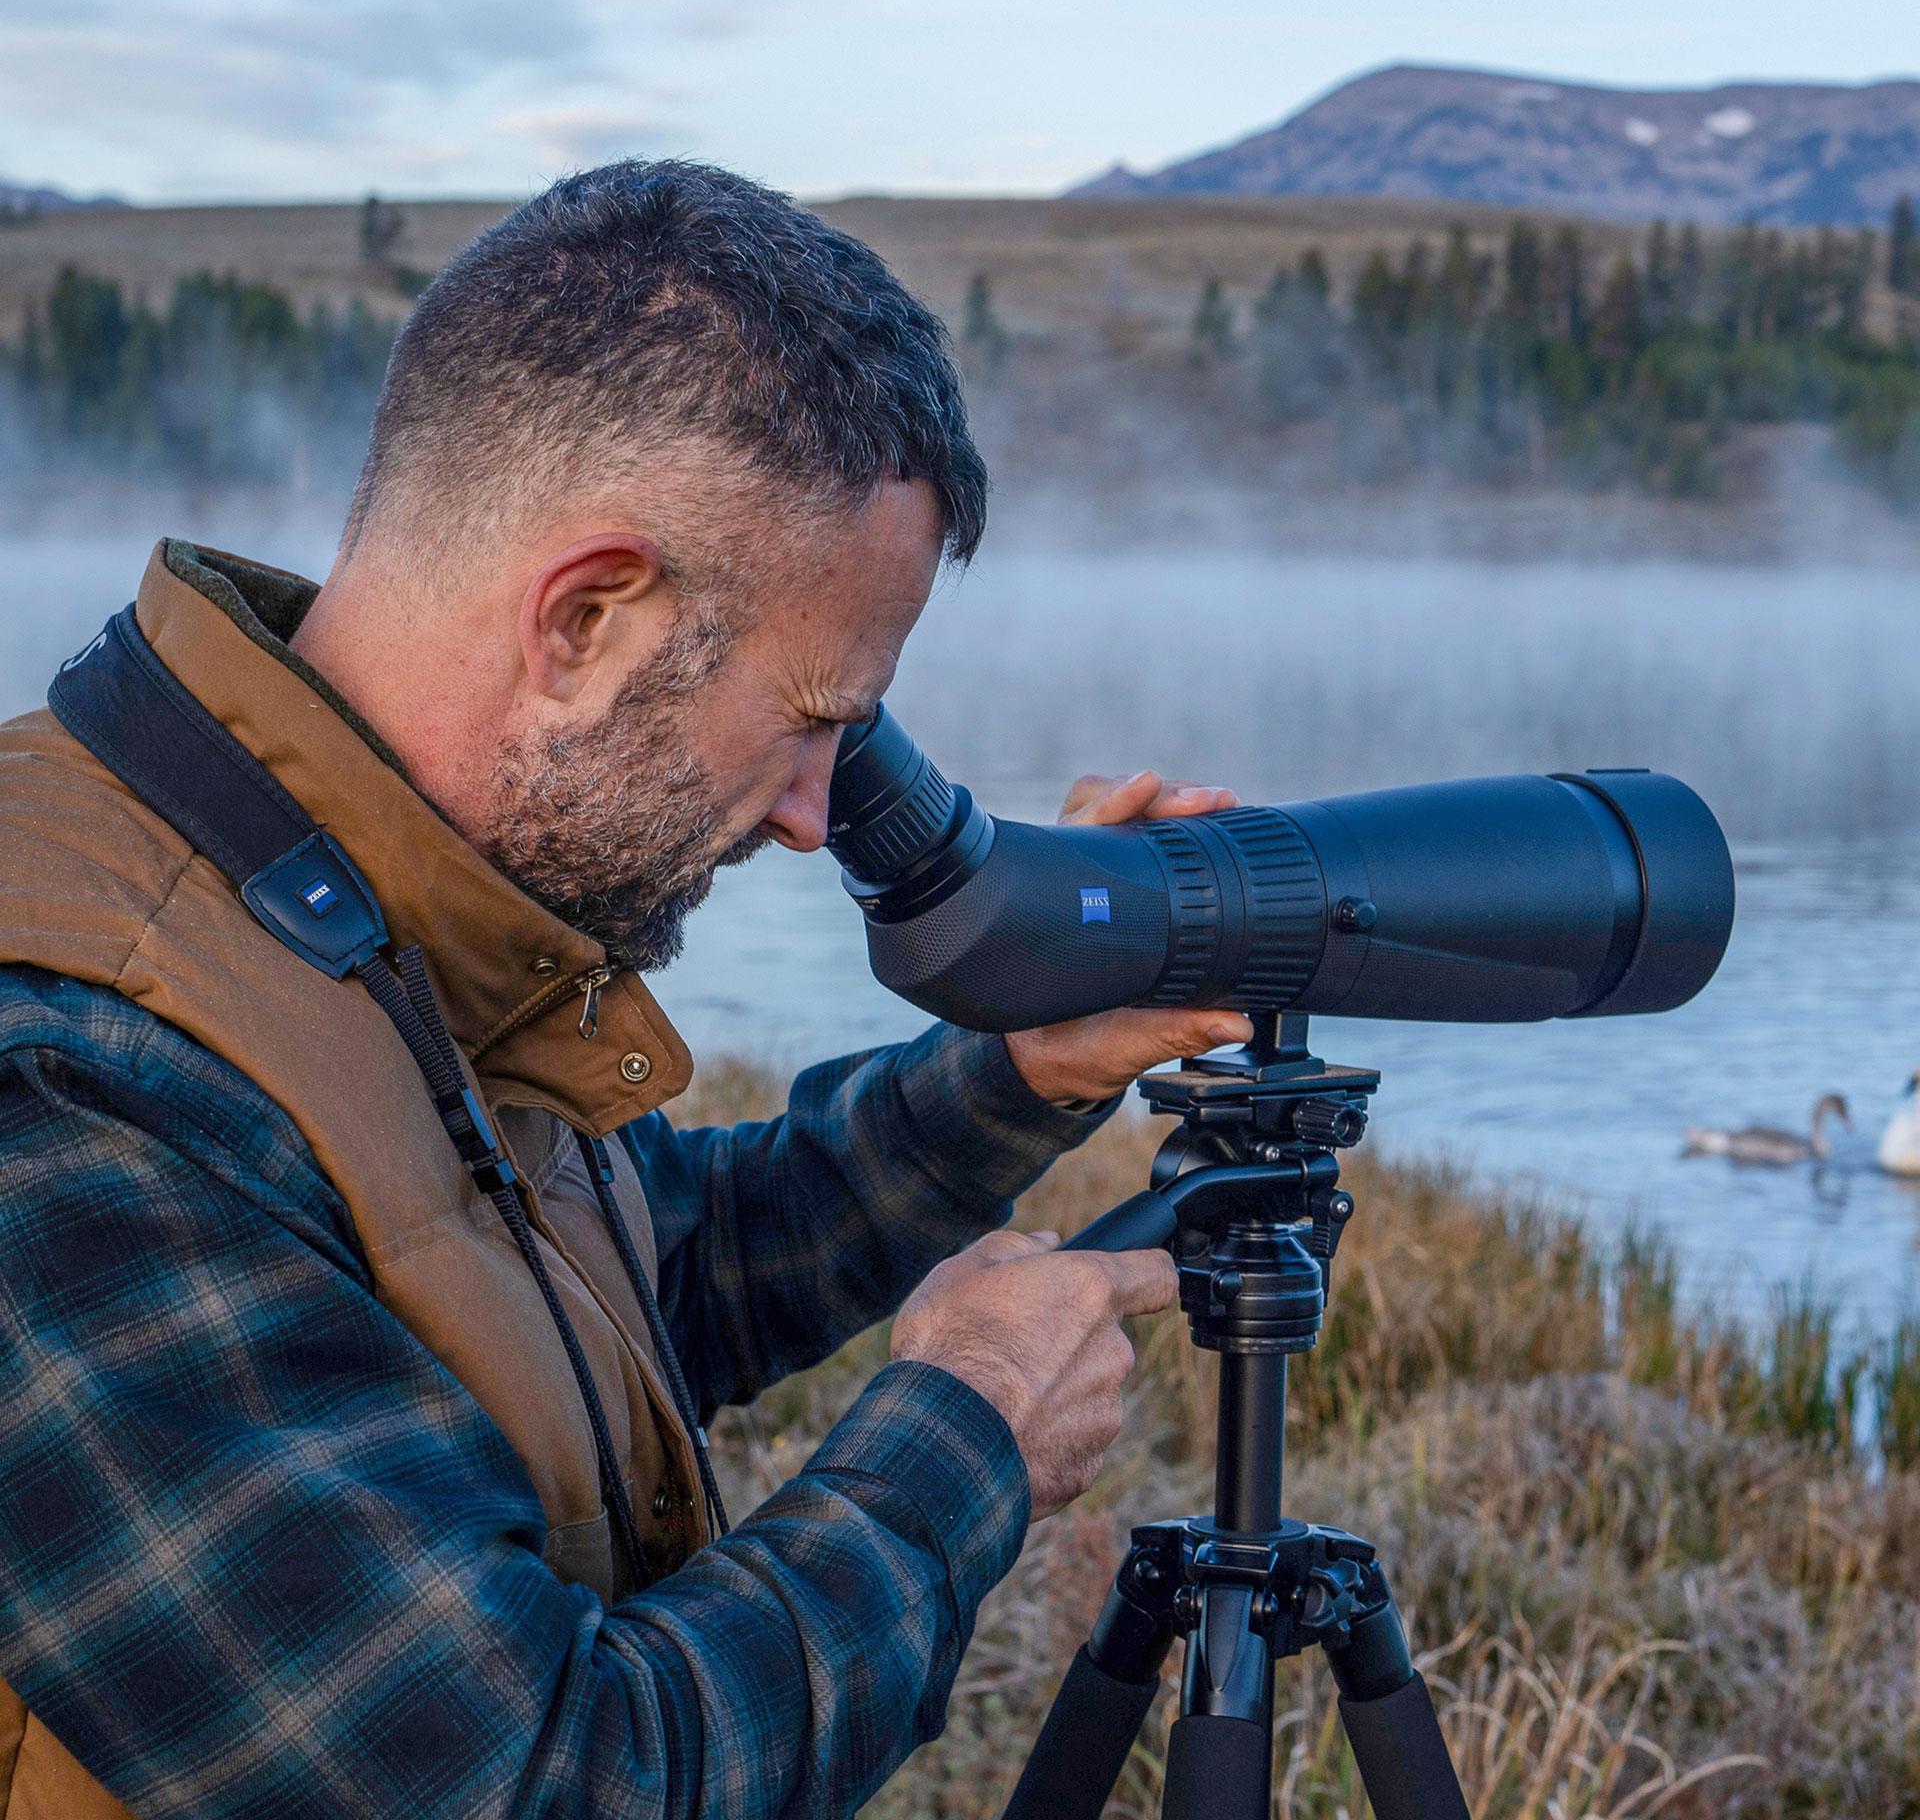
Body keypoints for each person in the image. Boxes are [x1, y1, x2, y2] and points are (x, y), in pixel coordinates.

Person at [0, 161, 1254, 1818]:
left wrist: (1017, 1074)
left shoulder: (334, 901)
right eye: (816, 717)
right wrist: (971, 1437)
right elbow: (540, 1780)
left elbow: (603, 1276)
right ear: (586, 618)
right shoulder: (73, 1072)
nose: (819, 815)